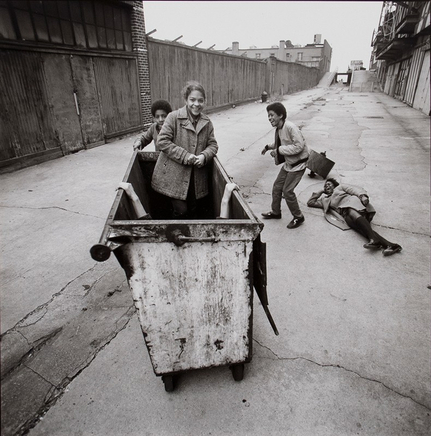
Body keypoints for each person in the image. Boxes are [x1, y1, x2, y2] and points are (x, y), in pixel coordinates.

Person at [151, 81, 218, 219]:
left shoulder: (207, 122)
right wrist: (185, 156)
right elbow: (162, 141)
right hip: (173, 175)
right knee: (181, 210)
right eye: (192, 100)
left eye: (200, 100)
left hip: (196, 177)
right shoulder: (173, 117)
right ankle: (176, 235)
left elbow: (213, 145)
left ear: (204, 101)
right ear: (186, 100)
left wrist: (204, 156)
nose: (196, 104)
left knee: (193, 209)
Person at [307, 178, 402, 256]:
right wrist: (321, 191)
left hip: (353, 205)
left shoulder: (340, 187)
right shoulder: (325, 199)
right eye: (325, 185)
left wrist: (363, 196)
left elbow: (354, 190)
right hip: (345, 215)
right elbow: (311, 202)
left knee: (351, 212)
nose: (327, 186)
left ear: (334, 185)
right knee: (360, 228)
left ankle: (376, 241)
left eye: (329, 184)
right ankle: (391, 245)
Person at [261, 102, 309, 229]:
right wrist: (268, 147)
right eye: (268, 116)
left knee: (287, 191)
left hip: (298, 165)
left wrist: (279, 151)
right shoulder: (279, 129)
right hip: (289, 164)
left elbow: (299, 146)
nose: (269, 118)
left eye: (272, 115)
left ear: (281, 115)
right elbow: (280, 143)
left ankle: (298, 216)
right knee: (277, 187)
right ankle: (276, 212)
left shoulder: (290, 127)